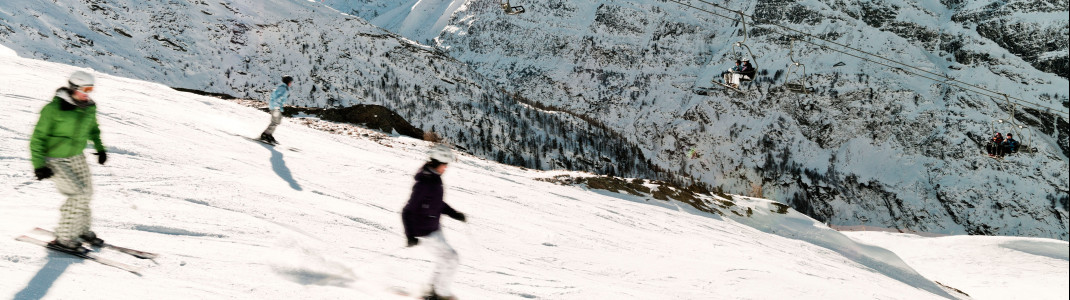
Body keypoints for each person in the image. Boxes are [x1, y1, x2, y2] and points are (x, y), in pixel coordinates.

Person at [30, 70, 108, 251]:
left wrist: (100, 147)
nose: (87, 93)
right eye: (85, 89)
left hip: (76, 156)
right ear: (74, 88)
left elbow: (93, 128)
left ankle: (81, 230)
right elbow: (37, 138)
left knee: (87, 193)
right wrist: (39, 165)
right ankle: (64, 237)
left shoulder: (89, 107)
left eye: (91, 89)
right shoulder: (54, 109)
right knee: (77, 195)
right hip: (55, 158)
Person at [401, 145, 467, 300]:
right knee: (452, 259)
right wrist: (410, 235)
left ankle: (433, 289)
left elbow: (437, 203)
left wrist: (454, 213)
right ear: (438, 163)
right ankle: (440, 294)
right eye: (445, 165)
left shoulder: (434, 179)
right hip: (425, 231)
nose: (446, 168)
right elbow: (407, 211)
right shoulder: (424, 184)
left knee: (445, 259)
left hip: (434, 227)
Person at [260, 75, 293, 144]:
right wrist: (277, 107)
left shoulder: (284, 88)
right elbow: (278, 98)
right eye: (290, 82)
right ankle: (266, 134)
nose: (291, 83)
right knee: (275, 121)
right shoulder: (283, 88)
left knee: (277, 120)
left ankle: (268, 134)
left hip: (275, 107)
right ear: (287, 82)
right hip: (275, 107)